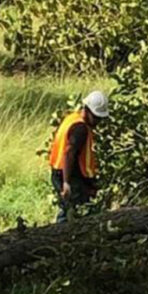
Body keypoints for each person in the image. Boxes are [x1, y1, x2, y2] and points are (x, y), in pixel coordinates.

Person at [49, 91, 109, 223]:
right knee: (72, 212)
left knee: (68, 209)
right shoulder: (80, 128)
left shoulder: (72, 118)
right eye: (96, 117)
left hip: (59, 171)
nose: (98, 121)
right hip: (69, 175)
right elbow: (69, 153)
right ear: (87, 110)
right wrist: (66, 183)